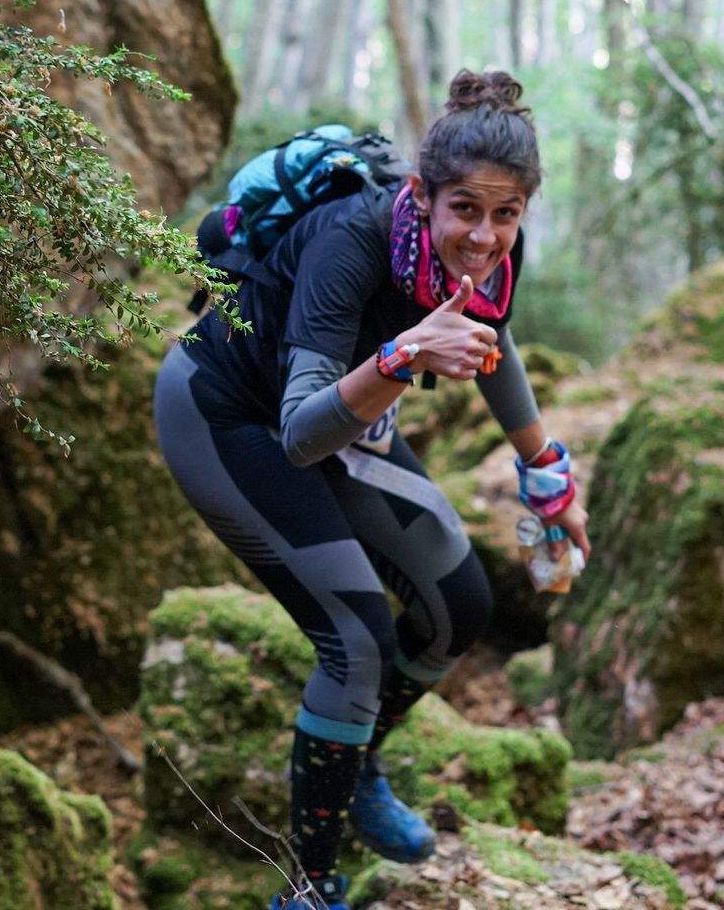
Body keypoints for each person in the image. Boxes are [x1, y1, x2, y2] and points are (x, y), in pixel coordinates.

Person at [153, 70, 591, 910]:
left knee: (458, 608)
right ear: (422, 196)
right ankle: (308, 889)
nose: (484, 236)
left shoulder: (497, 245)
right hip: (227, 416)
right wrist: (401, 357)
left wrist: (547, 473)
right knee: (356, 643)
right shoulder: (347, 242)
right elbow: (300, 432)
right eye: (465, 210)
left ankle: (348, 770)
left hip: (346, 416)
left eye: (506, 215)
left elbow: (490, 334)